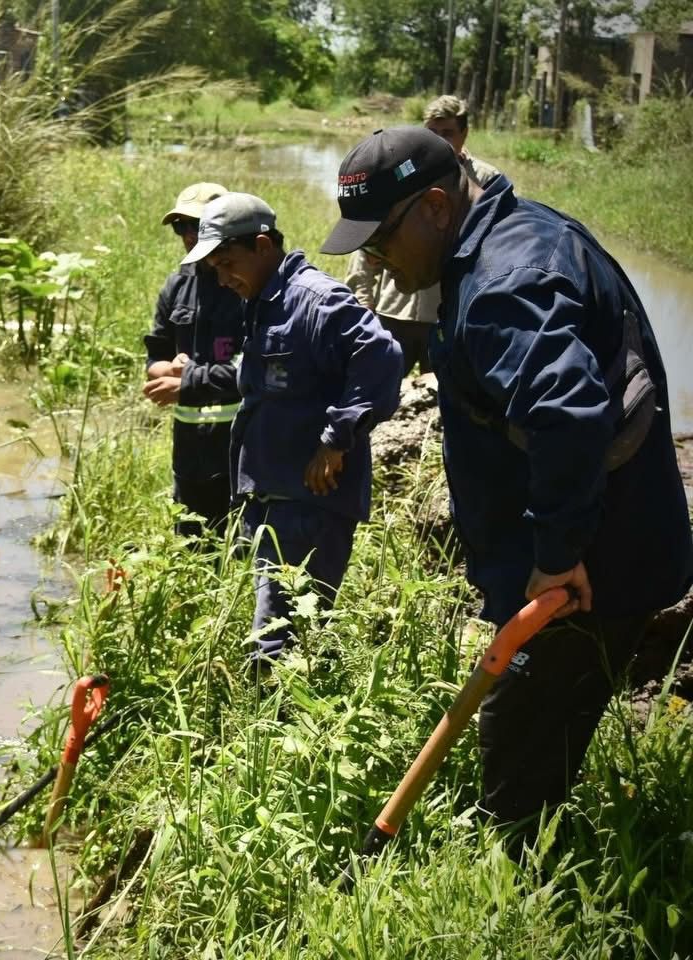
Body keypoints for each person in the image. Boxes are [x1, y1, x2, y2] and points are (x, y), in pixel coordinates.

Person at [321, 126, 693, 833]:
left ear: (434, 206)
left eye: (379, 241)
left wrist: (555, 557)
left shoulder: (502, 283)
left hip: (582, 579)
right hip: (592, 554)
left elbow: (567, 411)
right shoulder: (516, 233)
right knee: (535, 731)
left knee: (520, 754)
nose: (374, 260)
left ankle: (518, 895)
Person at [182, 192, 402, 664]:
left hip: (309, 505)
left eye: (228, 263)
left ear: (263, 246)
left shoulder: (315, 300)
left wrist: (336, 439)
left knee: (278, 644)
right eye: (215, 270)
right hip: (273, 497)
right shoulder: (262, 301)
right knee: (292, 632)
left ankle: (271, 731)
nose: (223, 279)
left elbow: (381, 356)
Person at [344, 95, 499, 375]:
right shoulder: (404, 172)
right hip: (394, 311)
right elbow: (370, 240)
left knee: (441, 397)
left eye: (448, 133)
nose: (440, 140)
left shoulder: (484, 181)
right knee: (380, 392)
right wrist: (363, 299)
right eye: (432, 133)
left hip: (447, 314)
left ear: (464, 133)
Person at [143, 182, 246, 540]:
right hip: (189, 449)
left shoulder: (246, 285)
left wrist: (188, 380)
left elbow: (257, 370)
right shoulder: (177, 285)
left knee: (239, 547)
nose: (187, 235)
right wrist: (167, 370)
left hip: (238, 446)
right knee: (190, 542)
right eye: (180, 227)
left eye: (196, 226)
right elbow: (155, 356)